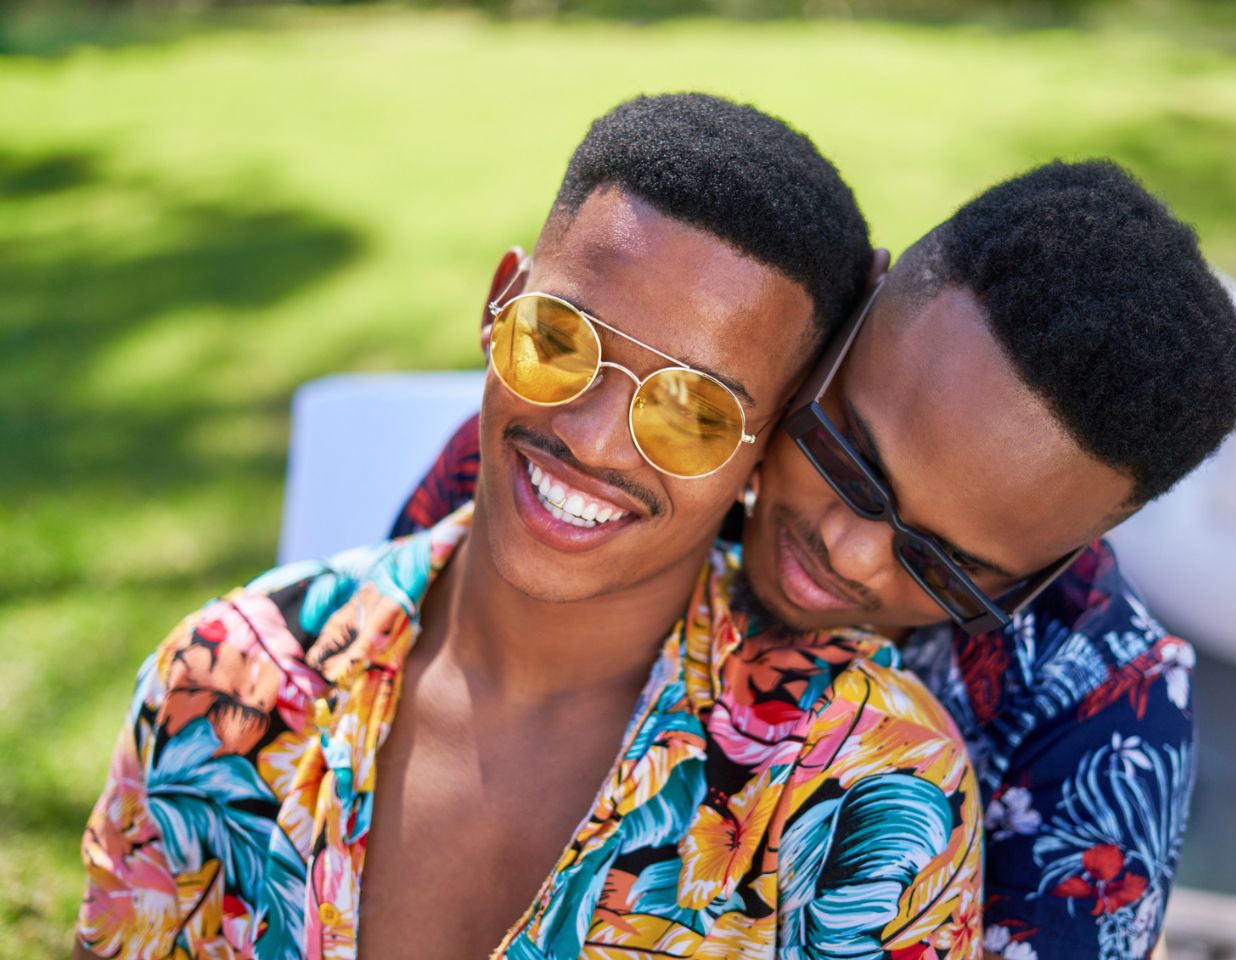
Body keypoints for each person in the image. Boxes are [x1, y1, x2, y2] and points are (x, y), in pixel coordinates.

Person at [74, 95, 985, 960]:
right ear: (498, 303)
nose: (589, 439)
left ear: (765, 447)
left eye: (695, 410)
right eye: (560, 340)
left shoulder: (867, 782)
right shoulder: (223, 683)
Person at [394, 160, 1236, 959]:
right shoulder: (577, 472)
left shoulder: (1101, 717)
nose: (847, 553)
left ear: (1052, 567)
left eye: (945, 563)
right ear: (855, 318)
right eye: (847, 456)